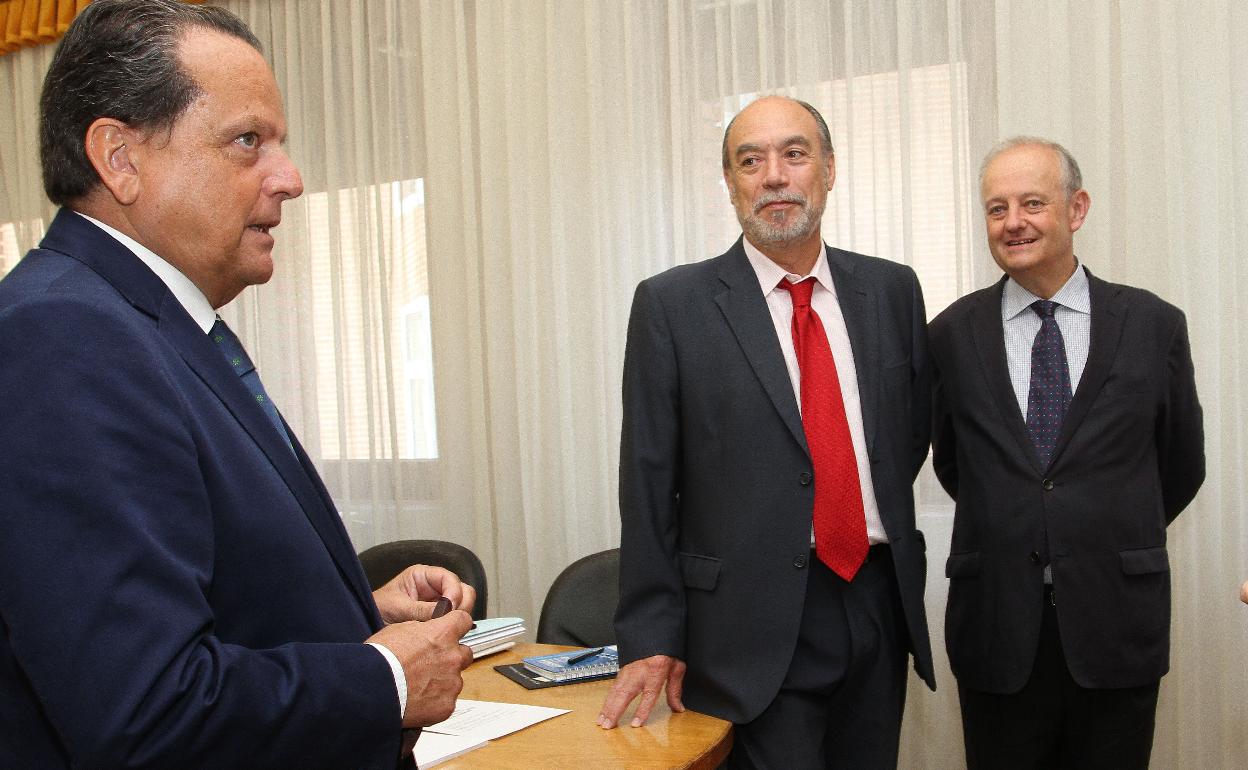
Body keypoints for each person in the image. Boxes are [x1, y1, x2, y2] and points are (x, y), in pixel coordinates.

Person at [0, 2, 473, 767]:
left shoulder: (141, 321)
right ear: (119, 158)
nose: (289, 179)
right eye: (247, 141)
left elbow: (175, 586)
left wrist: (353, 606)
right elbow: (144, 709)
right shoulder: (61, 338)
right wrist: (384, 677)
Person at [597, 95, 935, 769]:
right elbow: (647, 481)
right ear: (729, 183)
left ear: (829, 169)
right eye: (750, 160)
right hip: (746, 629)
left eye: (794, 154)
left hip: (876, 603)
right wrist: (650, 635)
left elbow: (909, 432)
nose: (773, 176)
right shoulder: (673, 305)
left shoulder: (892, 290)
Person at [930, 137, 1205, 769]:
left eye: (1032, 202)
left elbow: (1181, 463)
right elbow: (954, 464)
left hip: (1116, 621)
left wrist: (1097, 525)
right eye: (996, 208)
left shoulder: (1152, 324)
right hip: (997, 625)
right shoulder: (949, 334)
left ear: (1076, 209)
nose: (1014, 222)